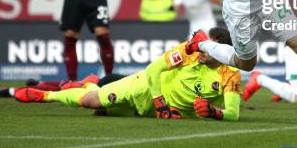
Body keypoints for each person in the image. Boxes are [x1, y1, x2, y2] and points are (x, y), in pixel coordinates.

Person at [15, 28, 241, 121]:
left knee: (100, 113)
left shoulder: (229, 75)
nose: (202, 50)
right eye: (202, 46)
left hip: (160, 112)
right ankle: (46, 96)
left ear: (221, 51)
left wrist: (214, 112)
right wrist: (160, 103)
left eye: (208, 48)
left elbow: (233, 113)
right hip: (145, 87)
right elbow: (154, 70)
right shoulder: (189, 50)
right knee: (90, 102)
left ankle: (90, 83)